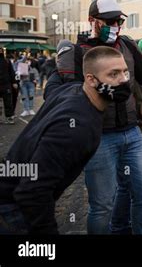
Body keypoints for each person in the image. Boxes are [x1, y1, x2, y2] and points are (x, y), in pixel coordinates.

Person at [46, 0, 142, 234]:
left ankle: (124, 228)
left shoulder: (128, 46)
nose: (115, 25)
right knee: (101, 204)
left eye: (119, 20)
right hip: (99, 137)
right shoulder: (78, 51)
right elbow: (62, 94)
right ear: (92, 21)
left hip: (132, 132)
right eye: (109, 21)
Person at [0, 46, 126, 234]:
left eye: (125, 72)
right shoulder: (75, 126)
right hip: (13, 209)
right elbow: (32, 191)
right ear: (91, 79)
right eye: (113, 74)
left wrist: (65, 56)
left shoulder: (72, 89)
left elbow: (54, 81)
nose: (123, 80)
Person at [0, 47, 17, 124]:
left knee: (8, 101)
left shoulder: (7, 61)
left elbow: (11, 72)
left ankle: (9, 117)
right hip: (5, 84)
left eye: (1, 50)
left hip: (6, 84)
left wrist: (14, 82)